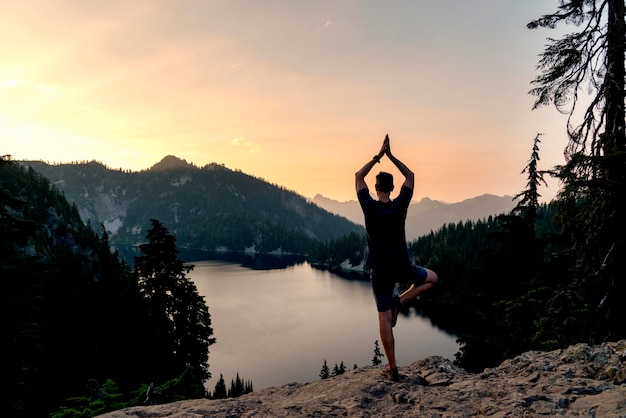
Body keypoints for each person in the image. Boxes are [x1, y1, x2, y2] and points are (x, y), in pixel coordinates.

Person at [355, 134, 438, 382]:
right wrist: (391, 156)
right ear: (391, 189)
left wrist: (378, 156)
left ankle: (392, 367)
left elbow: (358, 177)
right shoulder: (399, 205)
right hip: (403, 268)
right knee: (433, 279)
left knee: (384, 319)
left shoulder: (368, 206)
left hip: (380, 273)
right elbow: (410, 176)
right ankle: (400, 301)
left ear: (376, 188)